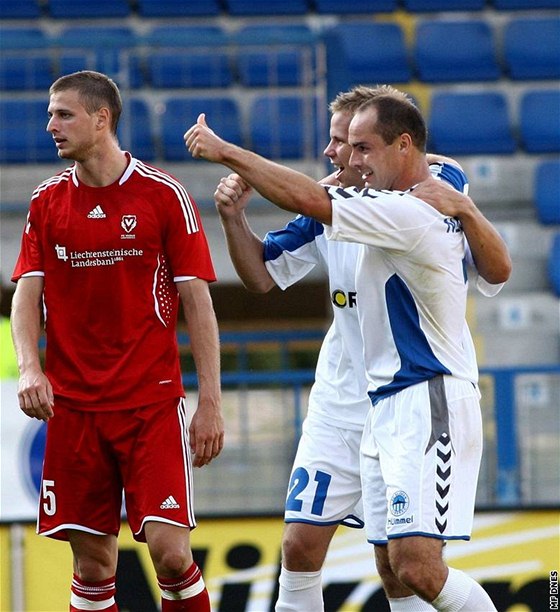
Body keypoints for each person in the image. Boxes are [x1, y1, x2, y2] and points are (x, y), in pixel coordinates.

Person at [185, 84, 503, 611]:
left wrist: (230, 152)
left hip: (420, 394)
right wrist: (234, 218)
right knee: (316, 548)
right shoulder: (333, 207)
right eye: (338, 143)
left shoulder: (421, 194)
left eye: (351, 144)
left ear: (394, 146)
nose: (335, 155)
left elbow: (449, 193)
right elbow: (263, 277)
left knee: (412, 568)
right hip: (351, 398)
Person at [10, 70, 224, 612]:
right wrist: (30, 369)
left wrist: (211, 404)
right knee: (93, 565)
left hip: (150, 406)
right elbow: (26, 293)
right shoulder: (46, 202)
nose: (50, 125)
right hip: (74, 410)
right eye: (50, 114)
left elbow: (197, 303)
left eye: (63, 114)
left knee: (171, 555)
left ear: (102, 119)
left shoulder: (163, 195)